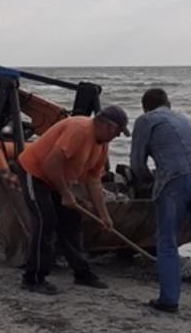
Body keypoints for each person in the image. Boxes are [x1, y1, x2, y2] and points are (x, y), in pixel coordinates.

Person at [17, 105, 128, 294]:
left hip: (57, 178)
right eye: (117, 132)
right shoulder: (80, 130)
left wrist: (104, 215)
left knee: (71, 222)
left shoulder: (102, 144)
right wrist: (66, 193)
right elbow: (51, 163)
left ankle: (82, 273)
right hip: (35, 172)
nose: (117, 136)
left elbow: (93, 181)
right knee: (45, 221)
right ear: (108, 126)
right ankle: (33, 278)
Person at [129, 88, 191, 314]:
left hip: (175, 179)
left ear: (144, 107)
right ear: (168, 103)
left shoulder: (145, 120)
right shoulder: (184, 118)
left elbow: (137, 164)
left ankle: (169, 300)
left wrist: (146, 183)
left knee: (167, 241)